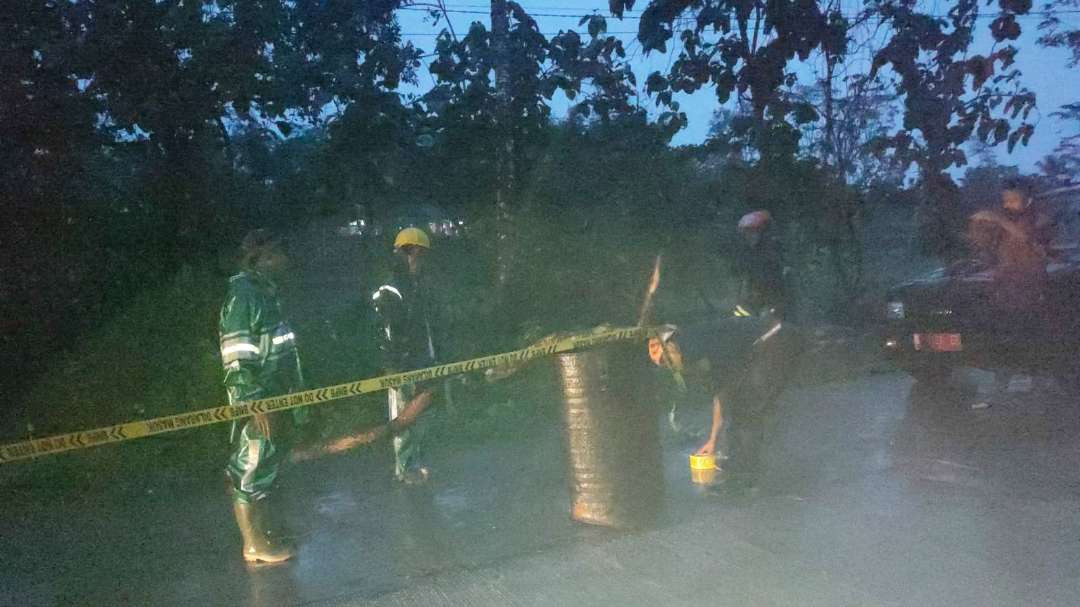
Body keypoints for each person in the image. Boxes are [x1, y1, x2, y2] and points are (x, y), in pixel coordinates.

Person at [220, 229, 308, 564]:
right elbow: (237, 355)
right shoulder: (244, 296)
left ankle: (262, 535)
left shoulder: (264, 293)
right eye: (279, 254)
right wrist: (253, 401)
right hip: (260, 400)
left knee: (266, 465)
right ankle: (253, 544)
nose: (286, 260)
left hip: (277, 396)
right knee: (251, 467)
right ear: (264, 257)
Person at [649, 317, 797, 492]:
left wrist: (714, 439)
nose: (668, 367)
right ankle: (739, 465)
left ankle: (744, 477)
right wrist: (713, 439)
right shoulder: (692, 343)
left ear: (671, 345)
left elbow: (722, 393)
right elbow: (722, 392)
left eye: (666, 361)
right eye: (663, 365)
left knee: (747, 407)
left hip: (777, 338)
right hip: (766, 343)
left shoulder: (695, 346)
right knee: (743, 404)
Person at [371, 227, 440, 485]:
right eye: (421, 256)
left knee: (420, 418)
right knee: (402, 419)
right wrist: (391, 366)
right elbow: (384, 331)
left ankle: (416, 463)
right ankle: (406, 469)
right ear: (412, 253)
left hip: (422, 362)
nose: (423, 263)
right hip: (402, 366)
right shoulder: (390, 289)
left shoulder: (415, 285)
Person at [969, 178, 1054, 309]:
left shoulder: (1041, 220)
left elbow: (1028, 238)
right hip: (1006, 292)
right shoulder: (1005, 225)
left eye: (1012, 201)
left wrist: (998, 219)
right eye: (1005, 201)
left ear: (1028, 200)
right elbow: (986, 249)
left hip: (1033, 293)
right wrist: (979, 227)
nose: (1006, 205)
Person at [733, 210, 788, 320]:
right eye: (745, 233)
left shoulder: (775, 256)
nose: (748, 236)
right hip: (754, 307)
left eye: (752, 232)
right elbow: (745, 283)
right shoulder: (748, 255)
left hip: (773, 308)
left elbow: (779, 291)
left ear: (763, 232)